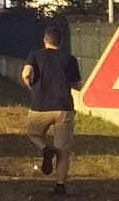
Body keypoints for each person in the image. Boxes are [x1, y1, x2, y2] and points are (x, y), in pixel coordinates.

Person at [21, 25, 83, 196]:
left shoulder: (35, 55)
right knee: (63, 150)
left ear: (45, 40)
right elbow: (77, 85)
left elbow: (26, 73)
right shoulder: (70, 59)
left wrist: (31, 86)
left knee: (33, 134)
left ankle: (44, 149)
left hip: (40, 106)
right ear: (60, 42)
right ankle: (60, 185)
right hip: (64, 108)